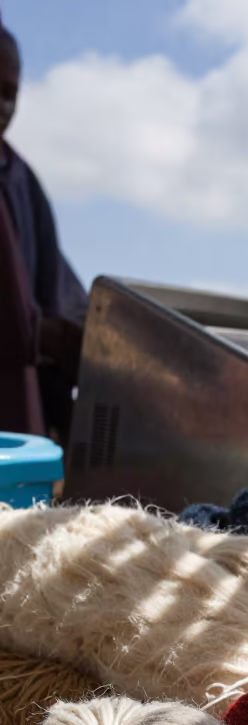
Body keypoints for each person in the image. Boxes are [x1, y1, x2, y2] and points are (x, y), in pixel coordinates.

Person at [0, 19, 87, 441]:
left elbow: (60, 295)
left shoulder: (19, 177)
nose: (1, 106)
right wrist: (37, 334)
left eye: (9, 95)